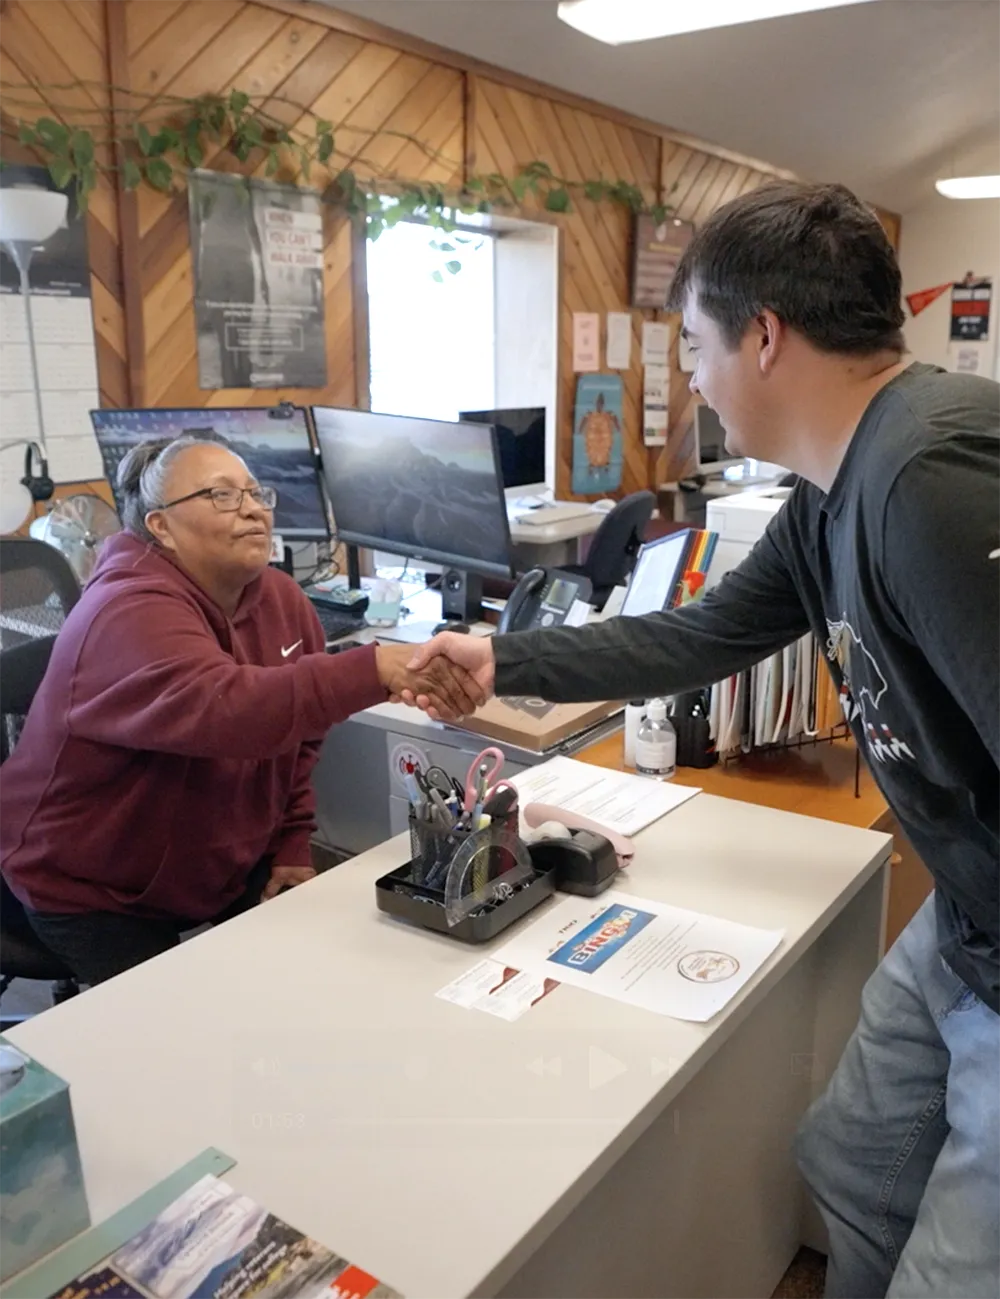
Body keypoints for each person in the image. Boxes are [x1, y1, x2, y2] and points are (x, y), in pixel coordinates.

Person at [407, 182, 1000, 1299]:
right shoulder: (834, 488)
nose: (686, 372)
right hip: (968, 920)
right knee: (852, 1168)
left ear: (763, 337)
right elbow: (711, 632)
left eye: (692, 344)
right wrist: (507, 661)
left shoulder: (927, 476)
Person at [0, 436, 482, 986]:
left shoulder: (281, 599)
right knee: (170, 1040)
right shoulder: (122, 609)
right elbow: (226, 711)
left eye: (255, 492)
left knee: (318, 982)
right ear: (161, 526)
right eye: (221, 495)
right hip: (92, 885)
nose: (253, 508)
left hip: (214, 864)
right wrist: (374, 668)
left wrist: (292, 842)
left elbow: (299, 738)